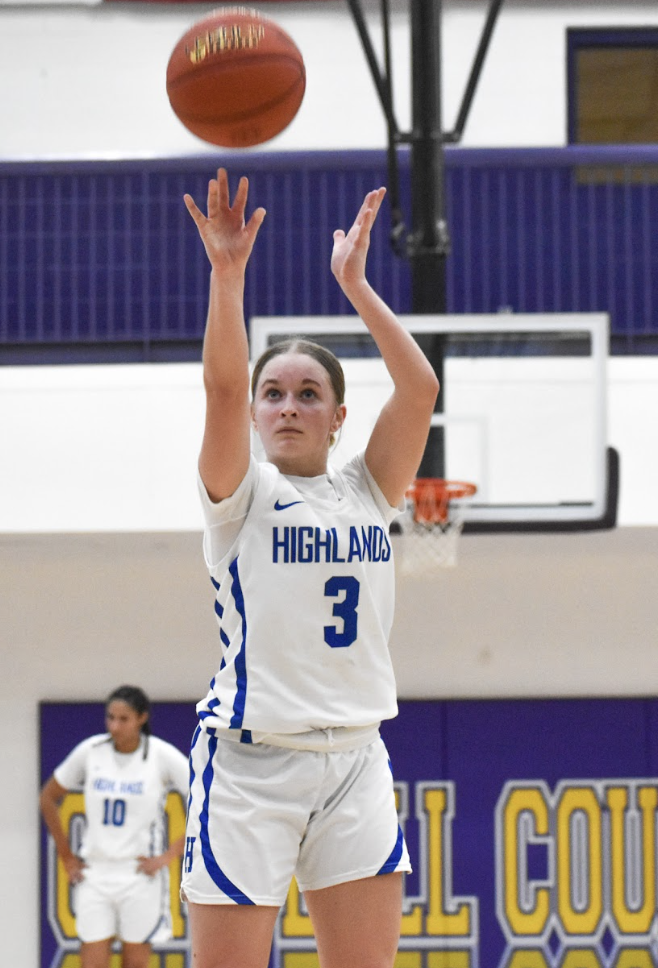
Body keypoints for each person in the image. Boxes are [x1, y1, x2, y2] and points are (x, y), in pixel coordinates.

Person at [181, 168, 440, 968]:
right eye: (273, 393)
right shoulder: (241, 494)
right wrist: (229, 277)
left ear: (337, 416)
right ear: (257, 416)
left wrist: (355, 285)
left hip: (356, 758)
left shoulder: (367, 488)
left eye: (307, 392)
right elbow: (221, 388)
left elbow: (420, 385)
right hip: (252, 763)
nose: (286, 405)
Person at [39, 685, 189, 968]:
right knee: (92, 962)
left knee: (135, 962)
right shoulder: (91, 751)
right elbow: (48, 798)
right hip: (95, 872)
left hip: (138, 873)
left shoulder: (161, 755)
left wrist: (168, 856)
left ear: (141, 718)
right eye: (110, 718)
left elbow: (204, 802)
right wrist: (67, 858)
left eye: (123, 719)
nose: (114, 726)